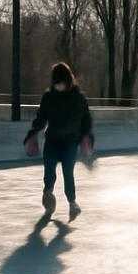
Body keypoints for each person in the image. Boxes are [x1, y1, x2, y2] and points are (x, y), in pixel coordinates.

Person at [24, 62, 93, 219]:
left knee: (68, 172)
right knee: (49, 171)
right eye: (56, 83)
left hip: (70, 142)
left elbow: (86, 120)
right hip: (53, 141)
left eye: (61, 82)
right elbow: (41, 118)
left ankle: (72, 203)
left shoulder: (79, 98)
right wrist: (33, 133)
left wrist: (86, 137)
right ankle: (48, 195)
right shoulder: (49, 97)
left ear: (68, 81)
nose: (58, 86)